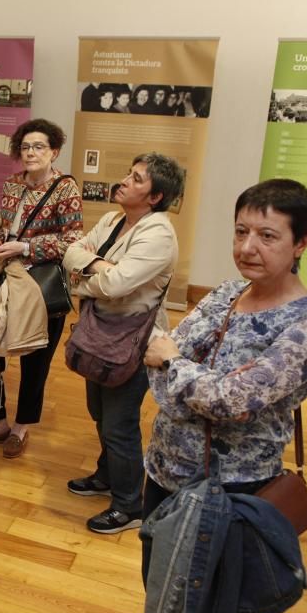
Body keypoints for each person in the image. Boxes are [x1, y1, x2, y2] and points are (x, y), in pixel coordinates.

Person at [141, 178, 307, 576]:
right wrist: (190, 379)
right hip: (165, 470)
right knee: (159, 588)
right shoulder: (226, 293)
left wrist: (177, 366)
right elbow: (158, 355)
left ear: (301, 243)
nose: (248, 247)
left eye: (267, 236)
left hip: (229, 490)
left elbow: (230, 400)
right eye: (241, 232)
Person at [62, 153, 184, 533]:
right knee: (98, 409)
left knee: (119, 423)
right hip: (100, 330)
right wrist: (100, 266)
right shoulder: (113, 220)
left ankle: (130, 505)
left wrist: (86, 276)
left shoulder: (158, 233)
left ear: (155, 197)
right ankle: (107, 474)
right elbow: (71, 252)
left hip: (135, 341)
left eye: (137, 179)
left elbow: (116, 285)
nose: (125, 181)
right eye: (129, 174)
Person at [0, 119, 82, 458]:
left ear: (54, 151)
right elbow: (6, 230)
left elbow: (73, 241)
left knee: (35, 361)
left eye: (39, 146)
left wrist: (25, 249)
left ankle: (21, 427)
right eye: (26, 147)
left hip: (42, 288)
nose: (31, 152)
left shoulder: (65, 187)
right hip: (8, 280)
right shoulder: (13, 183)